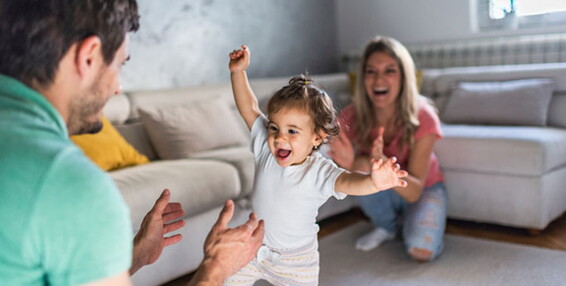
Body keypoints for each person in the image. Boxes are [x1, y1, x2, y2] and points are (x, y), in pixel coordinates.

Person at [0, 1, 264, 285]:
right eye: (118, 64)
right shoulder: (70, 186)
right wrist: (215, 270)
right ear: (88, 56)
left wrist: (136, 256)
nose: (118, 88)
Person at [226, 45, 408, 285]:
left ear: (317, 137)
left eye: (292, 131)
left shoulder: (319, 171)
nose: (280, 138)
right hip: (253, 248)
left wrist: (373, 182)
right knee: (224, 278)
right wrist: (238, 72)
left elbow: (348, 182)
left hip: (296, 262)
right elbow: (249, 108)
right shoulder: (265, 150)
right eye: (274, 128)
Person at [329, 36, 447, 262]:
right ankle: (387, 226)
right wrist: (349, 164)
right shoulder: (352, 115)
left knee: (421, 251)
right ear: (363, 78)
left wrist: (385, 167)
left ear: (403, 77)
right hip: (383, 190)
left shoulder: (424, 116)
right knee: (363, 165)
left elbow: (414, 192)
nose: (378, 79)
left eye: (389, 71)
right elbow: (324, 147)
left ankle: (408, 223)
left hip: (423, 189)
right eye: (371, 71)